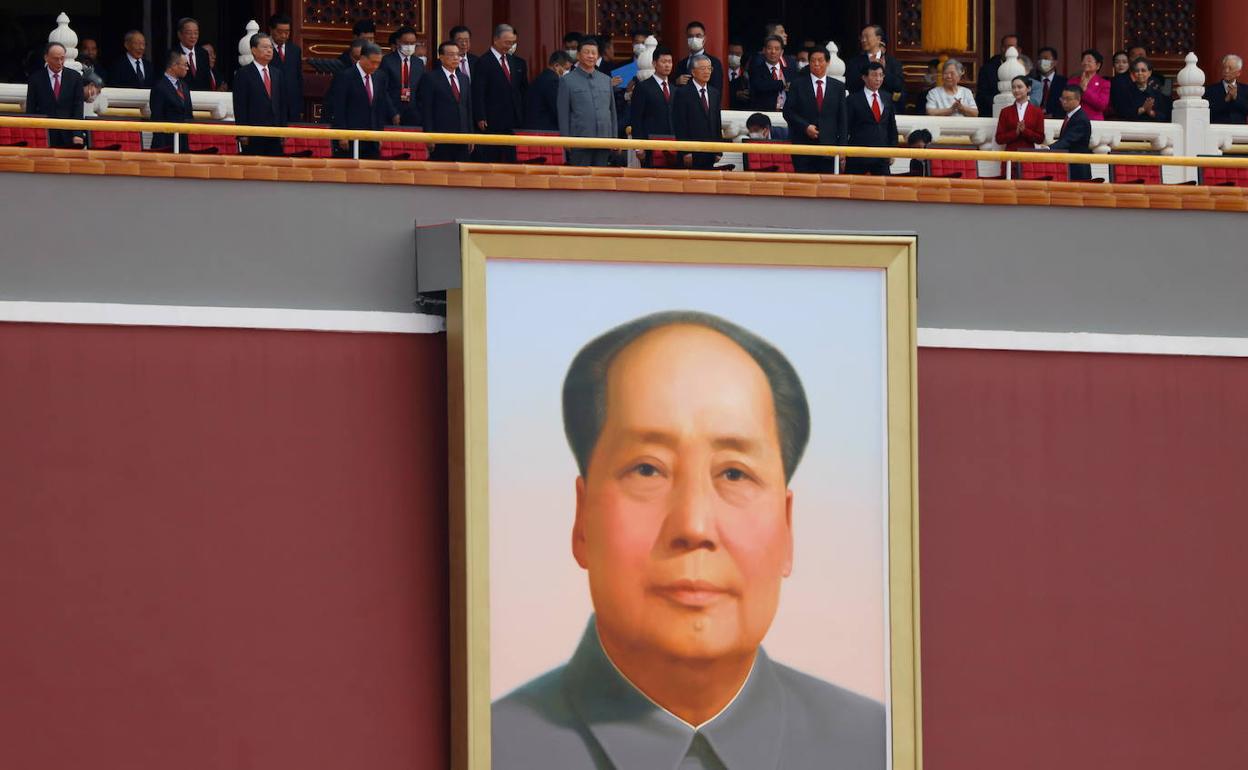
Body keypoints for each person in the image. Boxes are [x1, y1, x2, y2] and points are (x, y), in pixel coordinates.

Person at [491, 310, 887, 770]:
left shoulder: (879, 747)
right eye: (647, 469)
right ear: (582, 520)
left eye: (734, 473)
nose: (694, 526)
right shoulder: (488, 747)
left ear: (787, 527)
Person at [783, 49, 847, 174]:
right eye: (813, 61)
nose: (816, 64)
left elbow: (843, 119)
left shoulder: (838, 87)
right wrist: (805, 127)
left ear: (828, 62)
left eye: (820, 60)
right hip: (803, 146)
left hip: (829, 147)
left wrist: (843, 147)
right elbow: (788, 112)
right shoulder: (798, 85)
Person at [328, 42, 395, 159]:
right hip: (350, 137)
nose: (375, 66)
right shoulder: (345, 76)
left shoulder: (380, 77)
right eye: (372, 62)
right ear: (363, 58)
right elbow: (338, 107)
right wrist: (341, 134)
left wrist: (379, 134)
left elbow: (379, 107)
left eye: (378, 63)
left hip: (372, 138)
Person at [472, 24, 528, 163]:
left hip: (512, 118)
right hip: (491, 118)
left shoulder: (513, 61)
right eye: (507, 42)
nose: (509, 46)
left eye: (512, 42)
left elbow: (520, 89)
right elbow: (478, 91)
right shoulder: (484, 61)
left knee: (510, 156)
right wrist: (480, 116)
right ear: (496, 40)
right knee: (492, 156)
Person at [558, 38, 617, 167]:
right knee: (581, 180)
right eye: (587, 52)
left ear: (598, 56)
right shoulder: (567, 81)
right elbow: (563, 113)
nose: (591, 56)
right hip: (579, 138)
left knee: (601, 180)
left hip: (604, 139)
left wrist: (614, 137)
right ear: (578, 55)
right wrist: (566, 139)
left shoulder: (606, 80)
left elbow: (612, 111)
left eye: (594, 53)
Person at [233, 33, 286, 156]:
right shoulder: (243, 74)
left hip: (275, 132)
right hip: (253, 132)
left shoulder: (277, 73)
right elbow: (240, 105)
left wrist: (283, 129)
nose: (269, 50)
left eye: (270, 48)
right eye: (265, 47)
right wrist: (242, 132)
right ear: (254, 50)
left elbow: (282, 104)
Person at [26, 42, 85, 148]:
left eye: (62, 58)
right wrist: (31, 134)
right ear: (46, 58)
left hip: (68, 133)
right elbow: (31, 108)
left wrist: (77, 133)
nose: (59, 62)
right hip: (45, 133)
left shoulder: (75, 77)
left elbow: (78, 107)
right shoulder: (36, 79)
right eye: (55, 59)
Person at [421, 41, 473, 161]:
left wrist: (471, 135)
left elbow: (468, 108)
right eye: (451, 54)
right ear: (441, 57)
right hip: (441, 135)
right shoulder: (430, 78)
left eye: (458, 54)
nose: (456, 58)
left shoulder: (464, 78)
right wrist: (429, 136)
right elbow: (427, 109)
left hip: (462, 135)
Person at [846, 61, 898, 176]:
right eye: (874, 75)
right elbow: (846, 127)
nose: (878, 79)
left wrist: (893, 150)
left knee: (884, 189)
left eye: (881, 75)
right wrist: (844, 152)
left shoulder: (887, 97)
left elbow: (891, 126)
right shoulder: (853, 99)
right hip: (858, 154)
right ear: (864, 77)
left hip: (881, 154)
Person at [671, 55, 722, 169]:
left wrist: (719, 150)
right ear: (693, 72)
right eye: (703, 68)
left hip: (710, 150)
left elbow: (717, 122)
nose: (707, 72)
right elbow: (680, 124)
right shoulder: (682, 93)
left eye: (709, 68)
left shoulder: (714, 93)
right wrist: (686, 151)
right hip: (691, 151)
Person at [629, 45, 675, 167]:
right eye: (663, 62)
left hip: (673, 144)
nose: (667, 65)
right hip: (650, 143)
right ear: (654, 63)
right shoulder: (643, 87)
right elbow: (636, 118)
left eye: (670, 62)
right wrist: (639, 146)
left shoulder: (675, 89)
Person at [996, 75, 1045, 176]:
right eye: (1013, 87)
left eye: (1019, 87)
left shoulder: (1037, 112)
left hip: (1029, 155)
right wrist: (1016, 132)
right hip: (1010, 156)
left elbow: (1040, 138)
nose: (1016, 90)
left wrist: (1025, 131)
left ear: (1028, 89)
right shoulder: (1005, 112)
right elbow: (999, 138)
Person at [846, 25, 904, 105]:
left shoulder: (892, 61)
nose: (863, 40)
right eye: (862, 37)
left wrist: (884, 71)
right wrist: (868, 68)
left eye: (867, 37)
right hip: (861, 106)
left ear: (878, 39)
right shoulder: (855, 61)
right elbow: (850, 84)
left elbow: (898, 86)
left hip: (885, 106)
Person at [149, 50, 194, 151]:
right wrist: (162, 149)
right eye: (185, 65)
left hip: (183, 144)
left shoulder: (184, 86)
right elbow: (157, 118)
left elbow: (188, 114)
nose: (187, 68)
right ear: (174, 66)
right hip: (166, 144)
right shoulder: (159, 87)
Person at [382, 25, 425, 127]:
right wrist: (392, 112)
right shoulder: (387, 61)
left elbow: (421, 90)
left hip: (413, 114)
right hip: (392, 112)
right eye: (406, 43)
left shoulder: (419, 63)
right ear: (398, 42)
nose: (409, 46)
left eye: (412, 43)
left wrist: (419, 111)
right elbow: (383, 89)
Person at [1049, 84, 1092, 180]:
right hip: (1069, 164)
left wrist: (1049, 148)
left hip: (1078, 167)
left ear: (1078, 99)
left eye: (1068, 99)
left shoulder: (1080, 118)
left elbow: (1068, 140)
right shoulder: (1071, 116)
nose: (1064, 102)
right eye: (1062, 98)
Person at [526, 50, 573, 131]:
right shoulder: (553, 81)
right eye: (566, 68)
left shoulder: (542, 77)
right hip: (545, 129)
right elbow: (558, 108)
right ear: (556, 66)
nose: (568, 72)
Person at [269, 14, 304, 122]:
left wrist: (300, 107)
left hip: (292, 106)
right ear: (271, 30)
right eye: (280, 32)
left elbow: (298, 79)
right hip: (273, 103)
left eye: (287, 32)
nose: (284, 35)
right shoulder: (265, 50)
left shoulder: (295, 50)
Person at [673, 21, 724, 92]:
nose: (694, 39)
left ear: (704, 39)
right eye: (690, 36)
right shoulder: (681, 64)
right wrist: (676, 82)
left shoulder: (714, 63)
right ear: (687, 39)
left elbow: (716, 91)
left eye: (698, 36)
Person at [747, 35, 795, 111]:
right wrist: (782, 84)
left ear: (782, 52)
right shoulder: (756, 69)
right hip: (765, 113)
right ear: (764, 50)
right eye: (769, 48)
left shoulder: (790, 70)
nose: (773, 52)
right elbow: (759, 86)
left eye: (777, 49)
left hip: (787, 113)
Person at [975, 33, 1019, 114]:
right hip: (993, 112)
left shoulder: (1023, 67)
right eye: (1005, 46)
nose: (1007, 49)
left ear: (1018, 50)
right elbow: (982, 96)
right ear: (1001, 48)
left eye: (1011, 46)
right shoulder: (988, 69)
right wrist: (1000, 102)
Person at [1119, 58, 1171, 123]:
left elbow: (1165, 116)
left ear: (1149, 73)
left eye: (1143, 70)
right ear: (1133, 74)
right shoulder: (1126, 91)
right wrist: (1141, 110)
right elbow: (1122, 113)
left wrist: (1151, 112)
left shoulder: (1157, 92)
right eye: (1137, 71)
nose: (1140, 73)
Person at [1205, 54, 1248, 125]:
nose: (1226, 71)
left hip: (1239, 131)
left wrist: (1236, 98)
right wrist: (1225, 100)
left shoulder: (1245, 89)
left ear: (1238, 73)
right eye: (1224, 68)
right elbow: (1208, 111)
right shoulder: (1211, 90)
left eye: (1230, 68)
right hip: (1218, 130)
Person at [176, 17, 216, 92]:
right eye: (189, 33)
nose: (193, 36)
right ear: (179, 34)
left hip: (201, 99)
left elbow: (207, 80)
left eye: (196, 33)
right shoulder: (173, 54)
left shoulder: (203, 53)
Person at [1072, 48, 1110, 120]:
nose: (1086, 63)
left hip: (1095, 120)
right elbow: (1068, 102)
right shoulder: (1072, 81)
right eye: (1084, 60)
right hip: (1075, 120)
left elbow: (1102, 105)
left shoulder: (1104, 83)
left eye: (1089, 61)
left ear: (1098, 65)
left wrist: (1085, 90)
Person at [1031, 46, 1067, 118]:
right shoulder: (1032, 82)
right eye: (1040, 59)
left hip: (1056, 121)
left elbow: (1067, 103)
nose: (1042, 62)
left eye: (1046, 59)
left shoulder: (1064, 82)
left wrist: (1053, 115)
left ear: (1055, 62)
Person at [726, 41, 749, 110]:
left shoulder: (747, 74)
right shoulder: (719, 72)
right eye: (731, 53)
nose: (734, 57)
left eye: (738, 54)